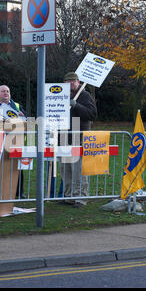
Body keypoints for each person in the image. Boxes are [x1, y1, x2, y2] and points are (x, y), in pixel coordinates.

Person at [60, 72, 97, 208]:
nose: (70, 84)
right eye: (68, 81)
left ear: (78, 82)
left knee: (78, 169)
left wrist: (76, 105)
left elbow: (92, 114)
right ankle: (69, 196)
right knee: (66, 169)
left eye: (73, 81)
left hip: (78, 135)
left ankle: (80, 197)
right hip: (63, 136)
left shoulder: (85, 95)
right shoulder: (61, 96)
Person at [0, 85, 27, 198]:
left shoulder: (18, 106)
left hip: (15, 140)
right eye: (3, 91)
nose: (6, 93)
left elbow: (26, 122)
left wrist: (23, 116)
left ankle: (19, 192)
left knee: (17, 167)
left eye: (7, 91)